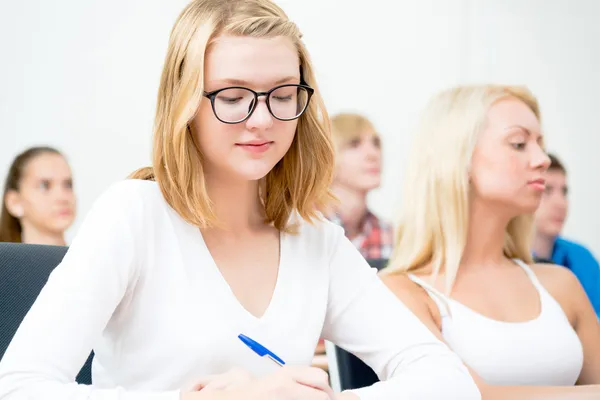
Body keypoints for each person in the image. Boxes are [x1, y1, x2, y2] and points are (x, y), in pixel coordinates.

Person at [0, 1, 480, 400]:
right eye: (233, 97)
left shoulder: (315, 241)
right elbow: (19, 386)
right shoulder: (134, 215)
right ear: (185, 103)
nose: (262, 120)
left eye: (282, 94)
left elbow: (447, 379)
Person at [380, 85, 600, 399]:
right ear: (458, 158)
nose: (541, 160)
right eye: (519, 143)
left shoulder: (561, 285)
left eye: (540, 144)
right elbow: (468, 395)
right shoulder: (401, 293)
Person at [533, 153, 600, 315]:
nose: (561, 203)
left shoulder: (581, 257)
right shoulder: (506, 261)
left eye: (564, 192)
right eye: (547, 190)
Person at [326, 113, 393, 260]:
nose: (373, 154)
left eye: (376, 143)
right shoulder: (304, 230)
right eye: (354, 144)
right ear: (327, 156)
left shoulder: (391, 236)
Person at [0, 146, 76, 245]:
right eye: (44, 186)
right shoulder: (6, 260)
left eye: (67, 185)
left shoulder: (92, 258)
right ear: (15, 202)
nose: (62, 197)